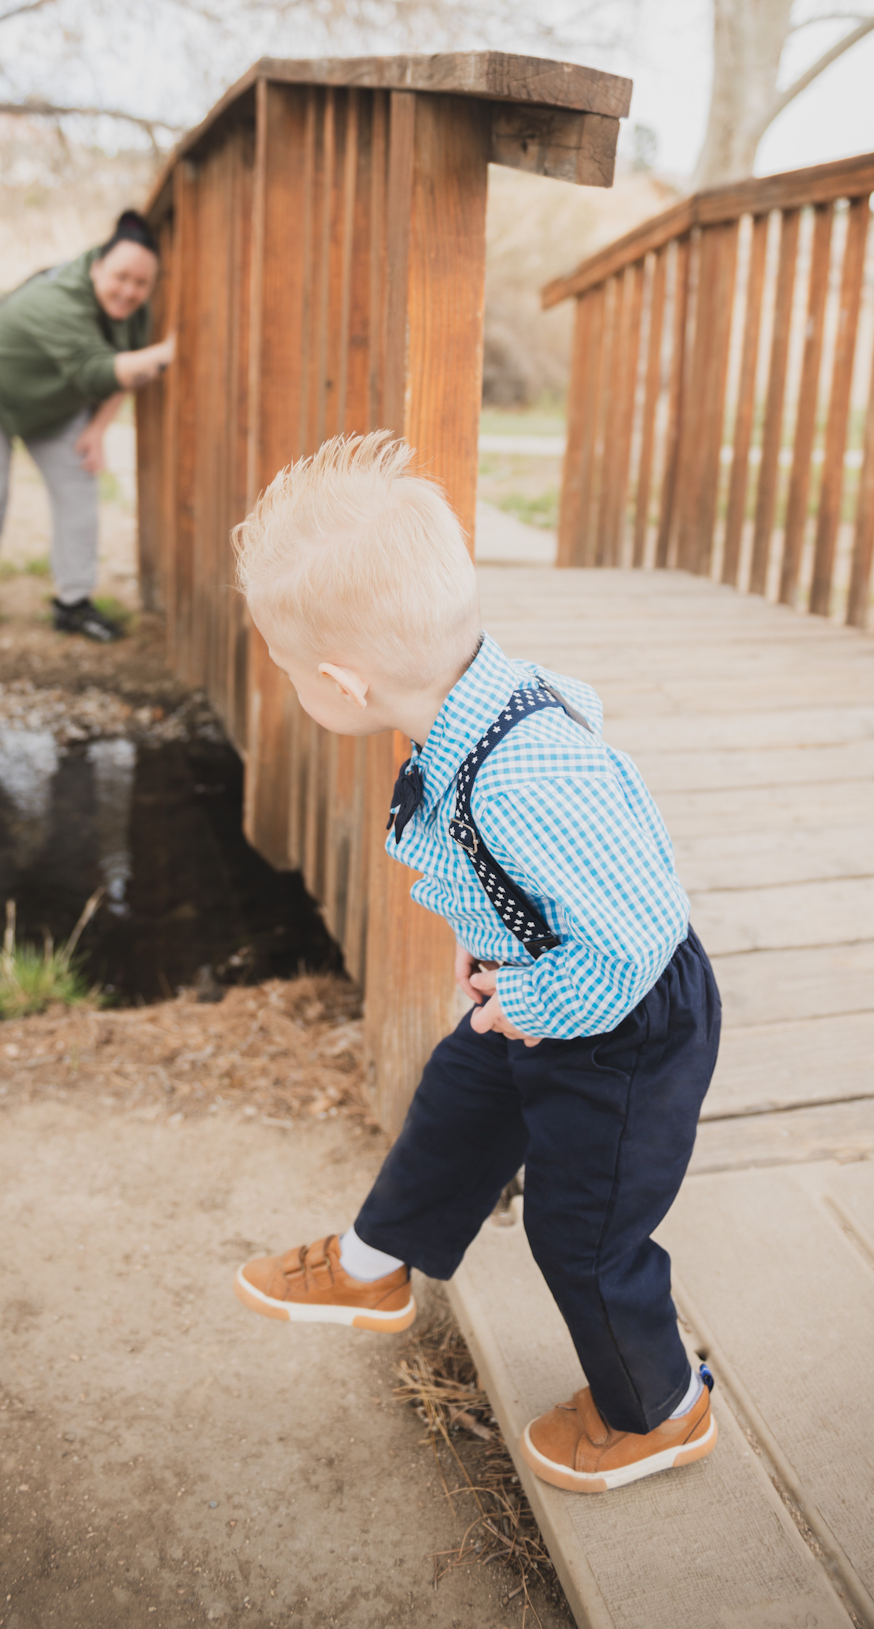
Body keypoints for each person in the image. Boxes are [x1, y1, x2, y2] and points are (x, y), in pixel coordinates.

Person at [228, 431, 721, 1495]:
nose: (287, 683)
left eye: (285, 669)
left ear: (344, 681)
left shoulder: (520, 778)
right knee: (457, 1102)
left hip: (622, 1024)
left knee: (582, 1230)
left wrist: (534, 994)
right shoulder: (473, 693)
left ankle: (660, 1407)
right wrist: (488, 925)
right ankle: (372, 1264)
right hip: (538, 978)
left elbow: (632, 937)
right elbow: (564, 729)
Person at [0, 209, 174, 642]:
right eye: (120, 277)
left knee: (79, 487)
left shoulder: (135, 310)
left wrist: (97, 430)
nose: (129, 291)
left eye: (142, 284)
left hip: (51, 403)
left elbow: (125, 367)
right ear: (96, 266)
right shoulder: (55, 298)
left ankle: (73, 605)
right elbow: (101, 371)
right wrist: (171, 352)